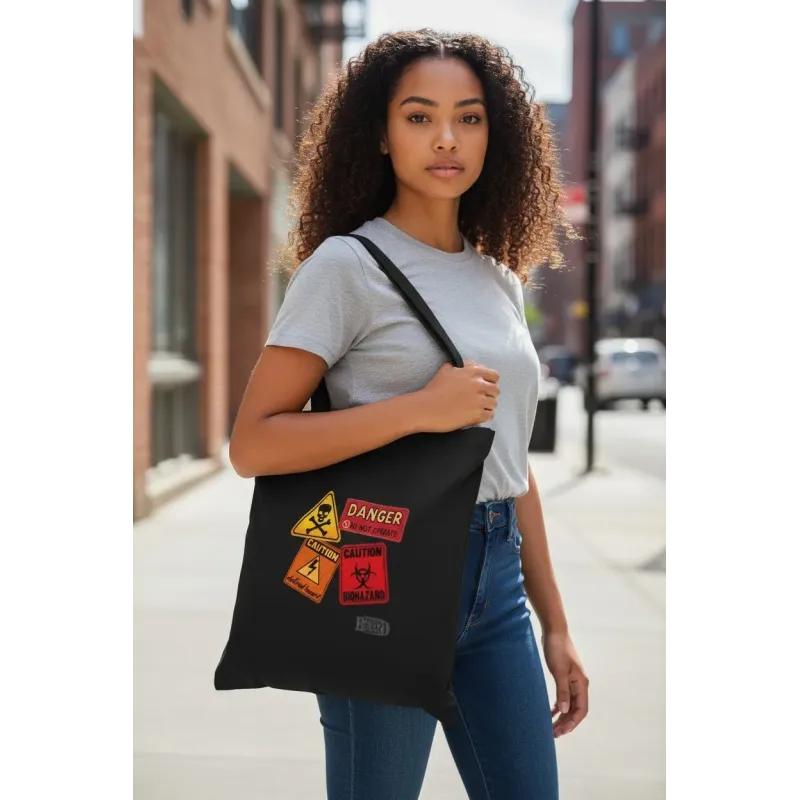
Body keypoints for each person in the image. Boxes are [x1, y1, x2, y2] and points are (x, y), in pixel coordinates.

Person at [229, 28, 589, 800]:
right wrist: (419, 410)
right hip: (379, 575)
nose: (448, 139)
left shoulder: (497, 276)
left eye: (470, 117)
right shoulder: (345, 267)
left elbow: (513, 463)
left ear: (498, 135)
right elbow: (253, 444)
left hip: (497, 592)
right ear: (382, 135)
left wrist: (554, 625)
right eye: (420, 117)